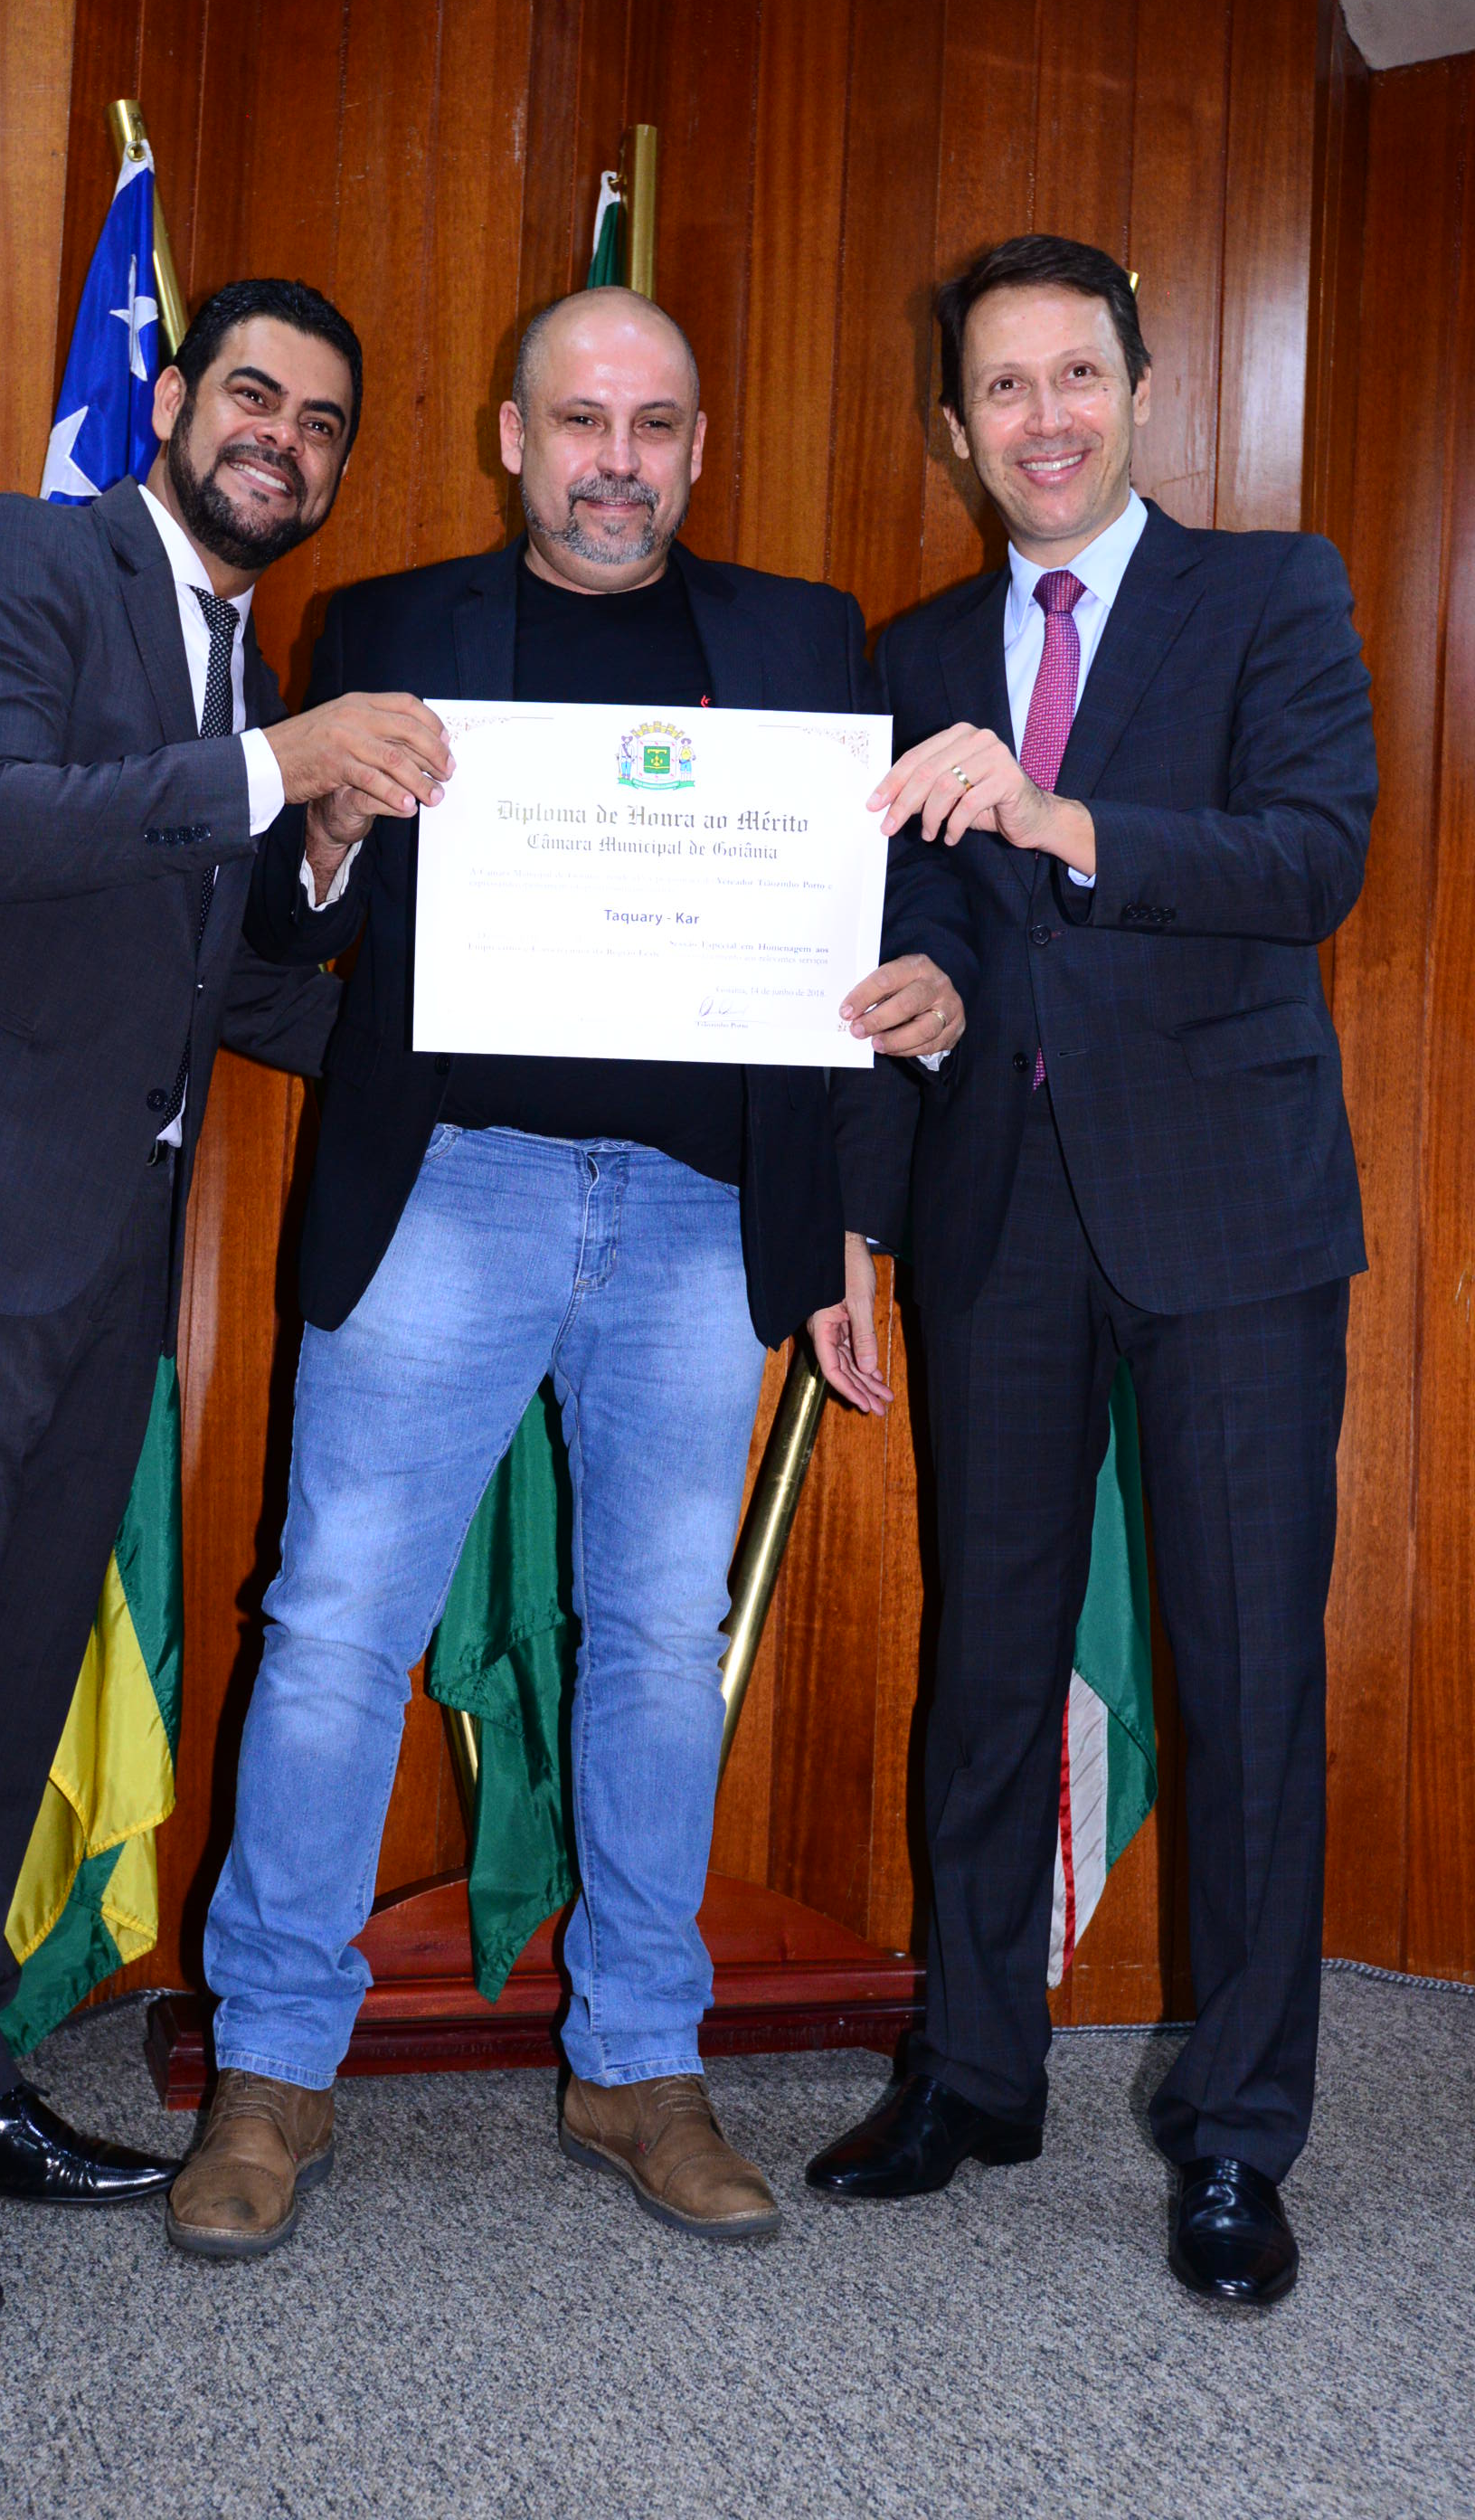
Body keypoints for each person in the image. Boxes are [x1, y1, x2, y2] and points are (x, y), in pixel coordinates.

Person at [165, 286, 976, 2258]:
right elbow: (288, 920)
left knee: (659, 1644)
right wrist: (329, 815)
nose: (619, 462)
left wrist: (919, 1004)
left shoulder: (804, 639)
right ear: (514, 440)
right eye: (583, 423)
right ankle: (271, 2065)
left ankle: (636, 2060)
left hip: (702, 1212)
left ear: (694, 449)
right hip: (451, 1185)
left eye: (655, 425)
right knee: (337, 1621)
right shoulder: (386, 627)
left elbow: (895, 893)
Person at [0, 277, 452, 2328]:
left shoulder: (244, 676)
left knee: (2, 1684)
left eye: (321, 422)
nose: (282, 439)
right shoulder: (15, 559)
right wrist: (275, 763)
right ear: (175, 400)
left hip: (95, 1260)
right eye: (253, 395)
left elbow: (223, 986)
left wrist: (382, 916)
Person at [806, 236, 1376, 2307]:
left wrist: (1054, 815)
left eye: (1074, 375)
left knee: (1243, 1676)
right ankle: (970, 2071)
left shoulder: (1270, 592)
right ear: (951, 428)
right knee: (983, 1662)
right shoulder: (909, 648)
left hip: (1228, 1213)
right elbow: (906, 951)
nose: (1040, 416)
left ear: (1138, 391)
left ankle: (1234, 2133)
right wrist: (858, 1212)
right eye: (1001, 387)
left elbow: (1308, 855)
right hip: (992, 1215)